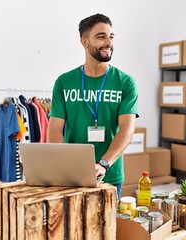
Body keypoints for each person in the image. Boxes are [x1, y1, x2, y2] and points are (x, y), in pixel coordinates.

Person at [47, 13, 139, 199]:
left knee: (108, 227)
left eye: (111, 36)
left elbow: (127, 129)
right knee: (72, 227)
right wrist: (65, 163)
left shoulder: (125, 82)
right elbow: (55, 129)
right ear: (84, 42)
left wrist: (104, 163)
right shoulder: (64, 82)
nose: (108, 42)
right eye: (100, 36)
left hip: (109, 175)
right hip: (72, 176)